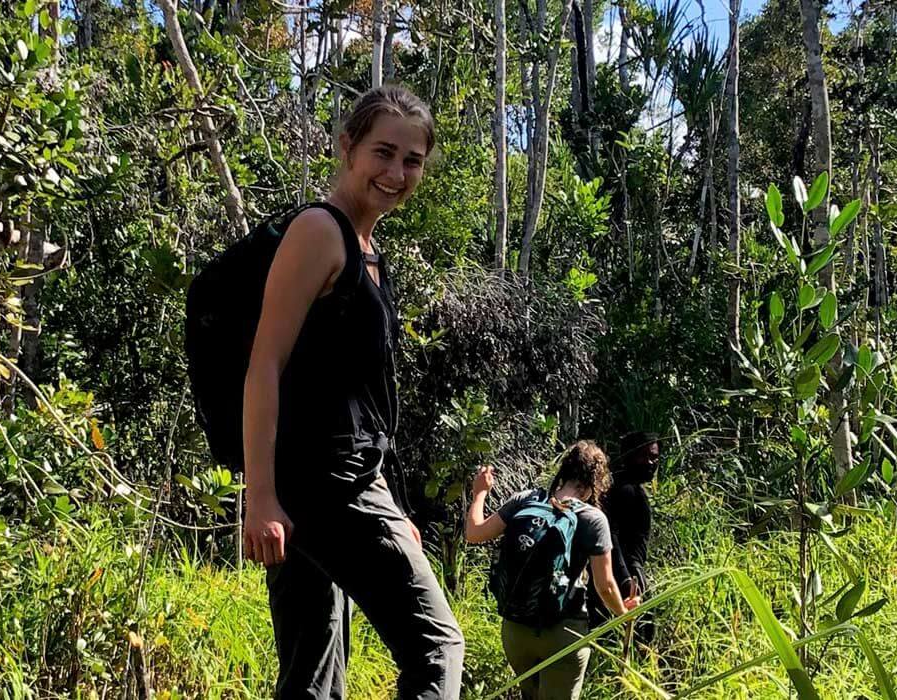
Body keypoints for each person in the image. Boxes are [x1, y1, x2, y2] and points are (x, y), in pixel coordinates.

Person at [239, 85, 464, 700]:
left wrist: (395, 509)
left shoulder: (367, 252)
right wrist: (259, 495)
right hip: (322, 489)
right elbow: (265, 361)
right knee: (438, 647)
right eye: (383, 153)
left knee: (314, 670)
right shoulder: (319, 230)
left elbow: (357, 404)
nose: (396, 173)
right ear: (347, 147)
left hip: (334, 488)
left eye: (412, 161)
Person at [464, 441, 637, 700]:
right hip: (563, 633)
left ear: (563, 472)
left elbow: (474, 533)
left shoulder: (525, 500)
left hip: (515, 630)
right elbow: (606, 586)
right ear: (594, 484)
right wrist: (624, 614)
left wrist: (480, 493)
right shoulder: (592, 518)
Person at [590, 431, 658, 642]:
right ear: (629, 456)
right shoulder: (624, 490)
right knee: (640, 637)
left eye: (654, 457)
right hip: (626, 573)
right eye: (644, 456)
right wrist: (627, 578)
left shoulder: (622, 487)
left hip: (620, 572)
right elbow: (612, 537)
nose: (650, 463)